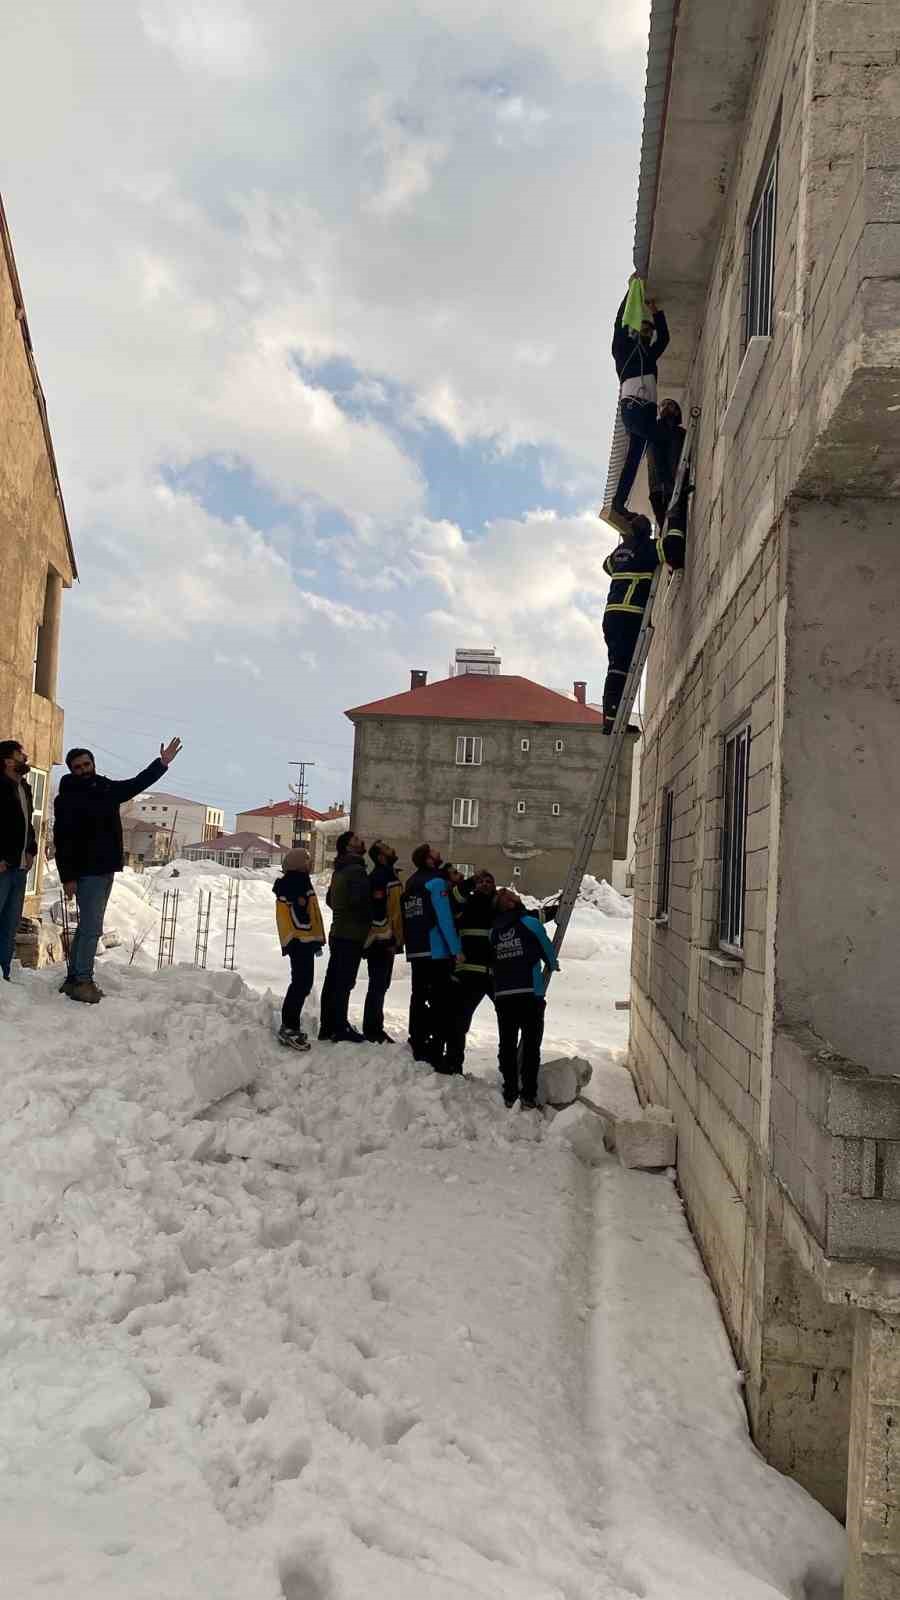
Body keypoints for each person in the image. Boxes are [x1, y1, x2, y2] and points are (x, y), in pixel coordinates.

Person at [54, 739, 182, 1003]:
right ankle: (82, 981)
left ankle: (73, 979)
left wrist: (162, 764)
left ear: (93, 763)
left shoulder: (105, 788)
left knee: (87, 927)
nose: (83, 769)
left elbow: (136, 783)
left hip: (105, 869)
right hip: (85, 872)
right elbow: (62, 840)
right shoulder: (67, 798)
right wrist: (67, 877)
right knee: (91, 927)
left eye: (86, 764)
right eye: (77, 767)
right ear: (70, 770)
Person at [602, 278, 670, 529]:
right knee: (662, 436)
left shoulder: (650, 354)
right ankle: (663, 490)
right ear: (634, 330)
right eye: (644, 329)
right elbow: (619, 326)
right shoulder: (623, 351)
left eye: (649, 331)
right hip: (632, 408)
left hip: (645, 411)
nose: (648, 333)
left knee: (633, 460)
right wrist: (629, 294)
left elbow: (664, 339)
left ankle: (619, 503)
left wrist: (657, 314)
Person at [490, 888, 559, 1110]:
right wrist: (552, 963)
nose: (518, 898)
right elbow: (547, 949)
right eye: (514, 896)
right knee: (531, 1046)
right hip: (529, 993)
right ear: (511, 903)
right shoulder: (529, 923)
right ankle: (528, 1094)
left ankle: (510, 1091)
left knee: (508, 1044)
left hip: (503, 995)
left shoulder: (494, 932)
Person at [402, 843, 461, 1070]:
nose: (439, 853)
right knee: (439, 1001)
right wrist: (456, 950)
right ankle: (434, 1048)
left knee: (418, 996)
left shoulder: (411, 883)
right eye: (434, 852)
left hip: (416, 948)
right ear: (428, 860)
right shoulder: (436, 882)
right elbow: (444, 918)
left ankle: (417, 1039)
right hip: (436, 950)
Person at [600, 513, 661, 733]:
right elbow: (671, 549)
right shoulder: (647, 548)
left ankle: (612, 718)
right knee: (620, 668)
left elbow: (607, 566)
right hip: (629, 615)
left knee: (616, 666)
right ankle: (612, 721)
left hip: (612, 617)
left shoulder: (620, 551)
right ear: (648, 532)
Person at [319, 830, 371, 1043]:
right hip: (351, 934)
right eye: (356, 840)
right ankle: (339, 1027)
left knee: (333, 980)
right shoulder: (356, 870)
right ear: (349, 847)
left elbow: (331, 900)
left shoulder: (339, 869)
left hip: (338, 931)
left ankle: (327, 1025)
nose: (361, 842)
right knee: (344, 982)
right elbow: (360, 902)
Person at [444, 869, 497, 1074]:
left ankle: (513, 1072)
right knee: (458, 1022)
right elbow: (451, 900)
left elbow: (527, 917)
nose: (485, 883)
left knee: (510, 1021)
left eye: (489, 880)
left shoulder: (500, 906)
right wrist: (470, 882)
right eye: (481, 881)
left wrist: (559, 909)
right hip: (468, 973)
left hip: (494, 974)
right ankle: (453, 1064)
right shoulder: (466, 903)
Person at [273, 846, 324, 1051]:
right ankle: (288, 1026)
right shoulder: (293, 885)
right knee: (301, 984)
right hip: (299, 942)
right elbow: (293, 916)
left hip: (304, 941)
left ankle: (291, 1025)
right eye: (307, 861)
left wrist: (315, 940)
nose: (310, 864)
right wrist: (301, 940)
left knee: (303, 983)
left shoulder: (300, 883)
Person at [0, 741, 37, 983]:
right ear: (7, 761)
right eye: (20, 755)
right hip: (3, 866)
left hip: (20, 867)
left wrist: (31, 850)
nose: (25, 758)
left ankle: (3, 973)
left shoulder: (24, 787)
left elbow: (27, 825)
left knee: (10, 923)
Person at [362, 839, 403, 1043]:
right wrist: (388, 939)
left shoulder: (389, 875)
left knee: (381, 984)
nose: (391, 848)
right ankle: (372, 1030)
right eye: (387, 847)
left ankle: (375, 1026)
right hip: (381, 941)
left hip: (388, 940)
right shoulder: (379, 877)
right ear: (381, 856)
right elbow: (379, 912)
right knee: (378, 984)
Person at [647, 399, 686, 532]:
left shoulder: (680, 433)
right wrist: (665, 483)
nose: (666, 407)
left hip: (676, 487)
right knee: (669, 529)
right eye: (663, 405)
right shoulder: (656, 430)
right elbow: (657, 459)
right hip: (660, 490)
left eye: (670, 405)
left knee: (678, 527)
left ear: (677, 411)